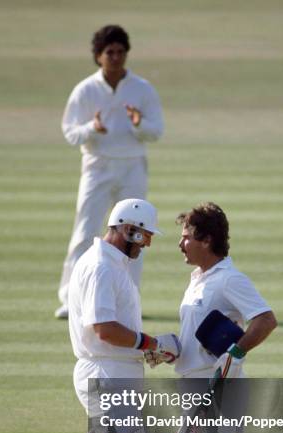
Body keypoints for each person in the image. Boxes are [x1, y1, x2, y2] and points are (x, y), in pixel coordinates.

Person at [146, 202, 277, 433]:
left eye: (186, 236)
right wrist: (170, 349)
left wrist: (236, 352)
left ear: (206, 239)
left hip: (220, 387)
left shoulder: (228, 278)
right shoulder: (199, 279)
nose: (181, 244)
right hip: (192, 385)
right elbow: (196, 338)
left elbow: (265, 320)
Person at [68, 198, 181, 433]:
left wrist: (145, 349)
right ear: (126, 228)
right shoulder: (102, 266)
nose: (146, 244)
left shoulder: (110, 264)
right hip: (108, 375)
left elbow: (115, 334)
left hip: (112, 372)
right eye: (144, 235)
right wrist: (150, 341)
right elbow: (104, 329)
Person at [55, 25, 164, 319]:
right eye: (109, 52)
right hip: (97, 165)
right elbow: (69, 132)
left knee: (135, 235)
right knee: (85, 230)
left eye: (120, 52)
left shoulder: (142, 88)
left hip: (132, 166)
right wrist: (92, 128)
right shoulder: (85, 90)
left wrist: (139, 123)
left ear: (126, 54)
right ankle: (70, 297)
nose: (115, 57)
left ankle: (131, 299)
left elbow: (157, 131)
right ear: (98, 56)